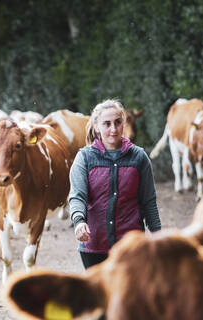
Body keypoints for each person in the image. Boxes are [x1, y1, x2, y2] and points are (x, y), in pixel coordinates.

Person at [69, 99, 162, 269]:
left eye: (118, 123)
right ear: (97, 126)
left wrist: (158, 236)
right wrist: (79, 221)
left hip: (131, 247)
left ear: (123, 124)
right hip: (94, 247)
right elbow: (77, 196)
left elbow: (148, 202)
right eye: (107, 124)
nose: (113, 129)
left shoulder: (139, 158)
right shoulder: (84, 158)